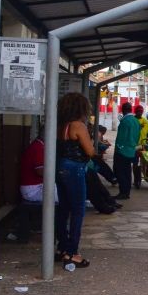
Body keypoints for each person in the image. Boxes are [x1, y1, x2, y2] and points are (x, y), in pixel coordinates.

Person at [56, 92, 95, 268]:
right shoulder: (78, 126)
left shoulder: (60, 125)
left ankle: (62, 247)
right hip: (75, 169)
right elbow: (90, 151)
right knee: (78, 211)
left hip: (60, 167)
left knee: (63, 209)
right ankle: (72, 253)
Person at [12, 128, 57, 243]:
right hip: (32, 189)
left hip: (36, 186)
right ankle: (54, 232)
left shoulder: (39, 146)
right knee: (63, 197)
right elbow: (40, 171)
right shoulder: (38, 148)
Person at [114, 102, 140, 200]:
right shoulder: (135, 121)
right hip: (131, 150)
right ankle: (126, 192)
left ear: (122, 110)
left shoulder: (124, 121)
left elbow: (121, 138)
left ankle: (123, 192)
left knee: (120, 172)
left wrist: (118, 149)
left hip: (122, 151)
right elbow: (137, 136)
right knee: (127, 172)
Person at [132, 104, 148, 189]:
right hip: (135, 146)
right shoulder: (132, 120)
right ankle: (136, 180)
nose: (140, 113)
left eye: (141, 111)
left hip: (144, 146)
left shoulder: (145, 121)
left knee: (145, 162)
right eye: (138, 111)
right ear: (135, 111)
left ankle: (146, 176)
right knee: (135, 164)